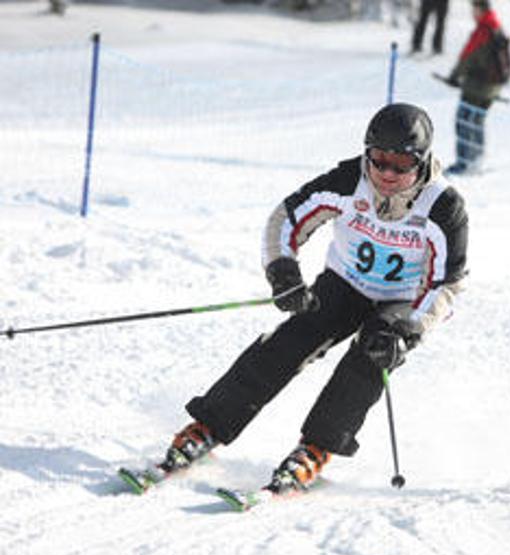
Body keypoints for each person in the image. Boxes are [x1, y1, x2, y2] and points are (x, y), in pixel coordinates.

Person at [153, 103, 468, 495]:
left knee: (369, 360)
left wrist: (408, 331)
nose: (387, 173)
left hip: (401, 301)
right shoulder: (348, 180)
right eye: (379, 160)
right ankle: (208, 426)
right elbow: (285, 218)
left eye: (401, 164)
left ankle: (315, 449)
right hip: (344, 282)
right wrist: (282, 271)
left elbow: (447, 284)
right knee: (289, 342)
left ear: (421, 162)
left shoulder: (443, 206)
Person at [444, 0, 505, 175]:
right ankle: (477, 159)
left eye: (474, 9)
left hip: (477, 87)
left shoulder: (482, 31)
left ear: (480, 9)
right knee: (477, 120)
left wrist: (454, 76)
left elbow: (467, 57)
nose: (472, 13)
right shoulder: (496, 28)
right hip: (493, 87)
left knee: (464, 120)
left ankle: (465, 163)